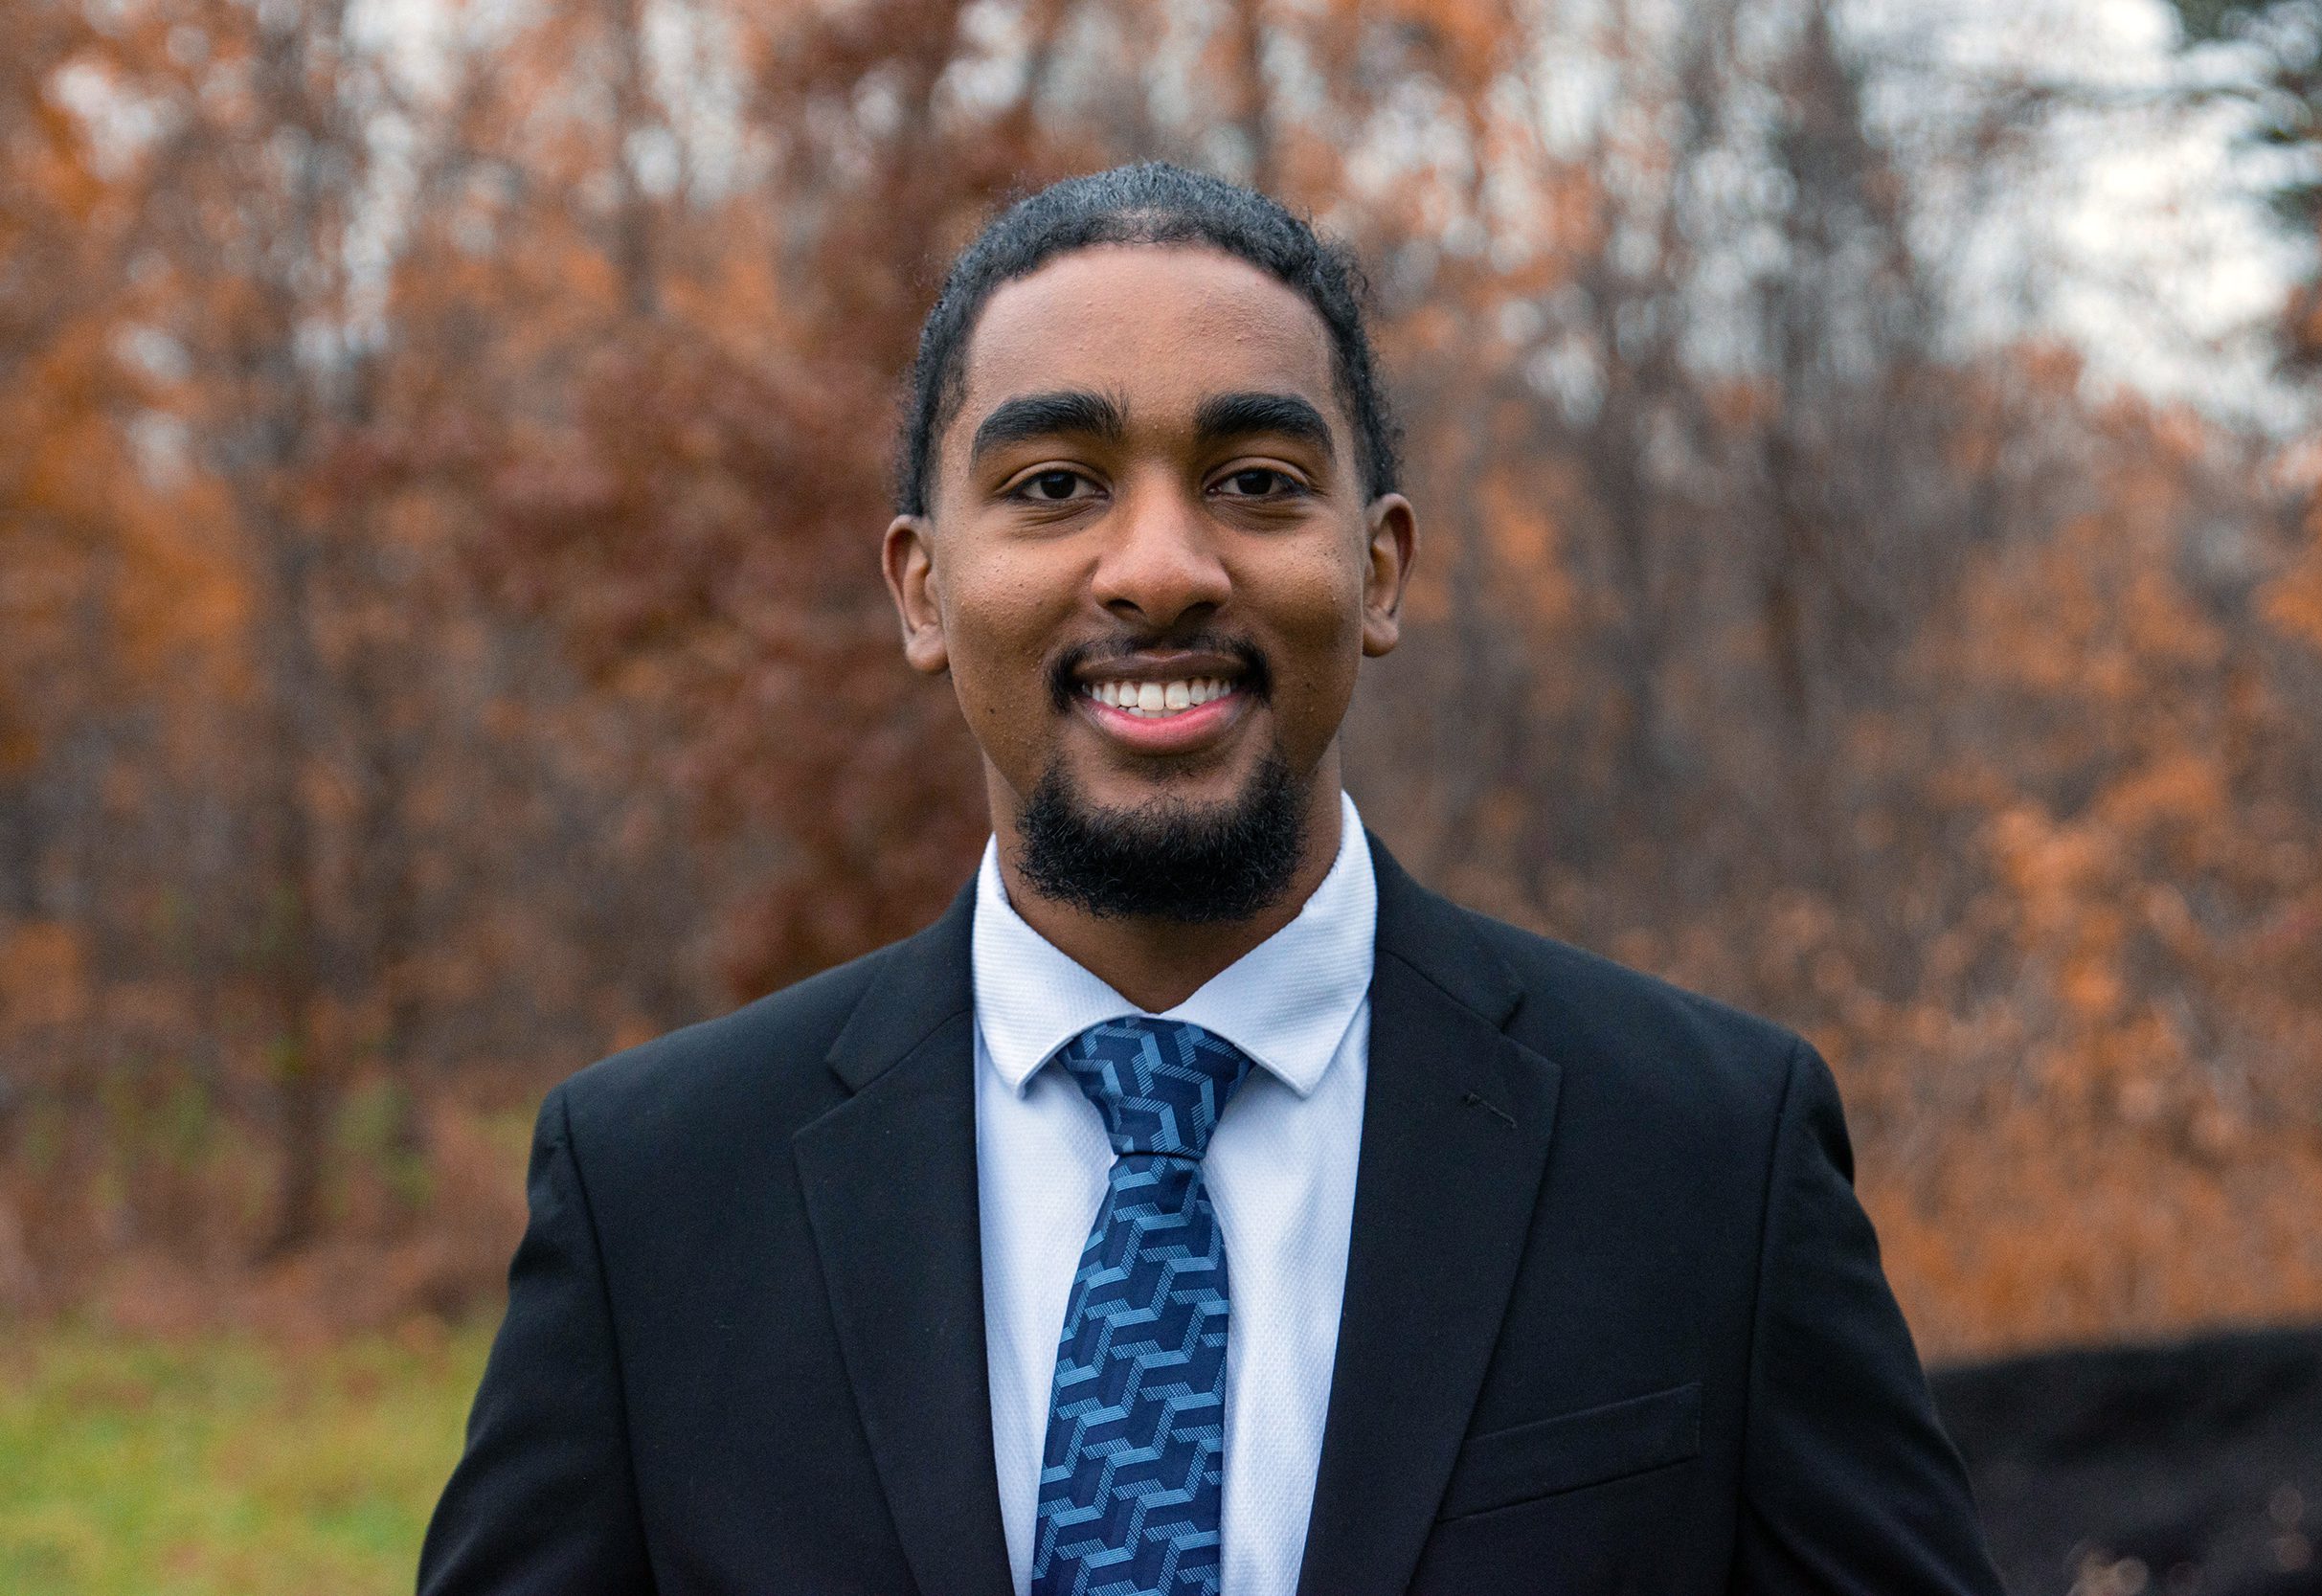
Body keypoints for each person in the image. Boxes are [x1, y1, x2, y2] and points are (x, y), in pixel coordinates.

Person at [419, 163, 2004, 1596]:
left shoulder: (1709, 1159)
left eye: (1255, 480)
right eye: (1054, 485)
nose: (1162, 566)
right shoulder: (657, 1195)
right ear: (924, 589)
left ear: (1376, 571)